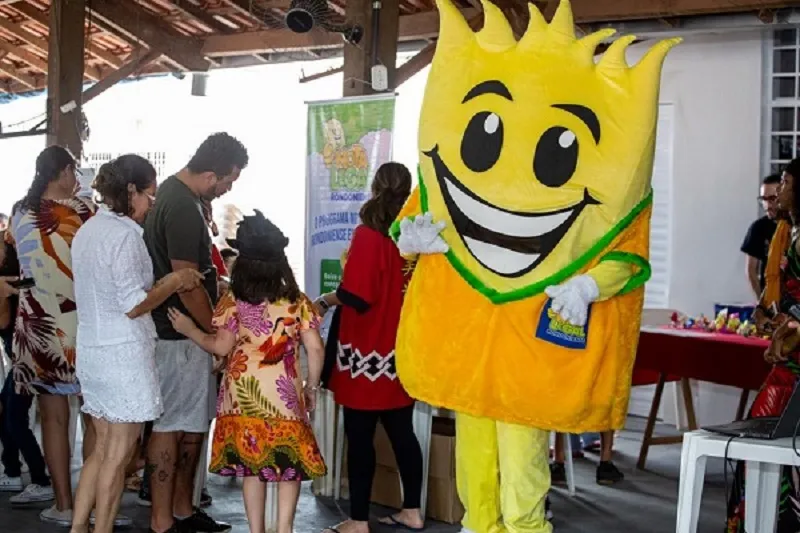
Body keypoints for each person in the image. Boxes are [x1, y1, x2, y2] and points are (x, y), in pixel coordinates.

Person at [168, 210, 326, 533]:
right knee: (288, 465)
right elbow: (316, 348)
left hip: (242, 398)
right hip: (284, 396)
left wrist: (189, 329)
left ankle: (257, 530)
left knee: (252, 468)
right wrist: (311, 387)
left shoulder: (233, 300)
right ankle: (284, 528)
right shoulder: (296, 301)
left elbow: (220, 346)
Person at [70, 156, 204, 533]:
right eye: (149, 196)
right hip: (122, 354)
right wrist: (175, 282)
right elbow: (132, 305)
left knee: (101, 450)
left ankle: (79, 527)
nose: (151, 205)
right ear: (131, 191)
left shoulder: (89, 230)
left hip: (93, 349)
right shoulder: (125, 236)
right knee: (118, 455)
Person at [143, 132, 248, 533]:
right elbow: (186, 283)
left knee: (190, 426)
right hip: (178, 335)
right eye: (228, 181)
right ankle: (163, 519)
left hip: (184, 335)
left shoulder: (179, 198)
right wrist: (214, 333)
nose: (227, 190)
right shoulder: (183, 208)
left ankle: (182, 509)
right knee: (172, 425)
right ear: (210, 175)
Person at [315, 162, 425, 533]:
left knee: (360, 439)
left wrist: (325, 300)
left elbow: (357, 296)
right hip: (400, 351)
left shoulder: (368, 235)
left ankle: (358, 520)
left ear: (375, 187)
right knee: (403, 434)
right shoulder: (414, 237)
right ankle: (412, 510)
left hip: (365, 354)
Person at [8, 146, 95, 526]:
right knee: (96, 418)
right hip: (82, 323)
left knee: (52, 419)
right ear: (64, 171)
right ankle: (96, 503)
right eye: (74, 170)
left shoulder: (19, 211)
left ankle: (64, 504)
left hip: (36, 325)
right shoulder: (85, 211)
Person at [727, 157, 800, 532]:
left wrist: (789, 326)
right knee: (762, 441)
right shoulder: (787, 232)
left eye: (785, 184)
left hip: (794, 362)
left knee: (769, 441)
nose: (778, 192)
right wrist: (769, 314)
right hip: (789, 358)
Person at [0, 236, 53, 504]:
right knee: (9, 412)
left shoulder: (15, 272)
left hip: (30, 352)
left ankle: (39, 479)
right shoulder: (15, 274)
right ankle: (12, 470)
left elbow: (4, 323)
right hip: (26, 352)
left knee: (14, 417)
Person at [742, 174, 781, 299]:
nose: (768, 205)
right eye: (764, 199)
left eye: (772, 198)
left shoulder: (794, 227)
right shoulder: (758, 228)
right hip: (771, 298)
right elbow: (751, 271)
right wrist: (762, 302)